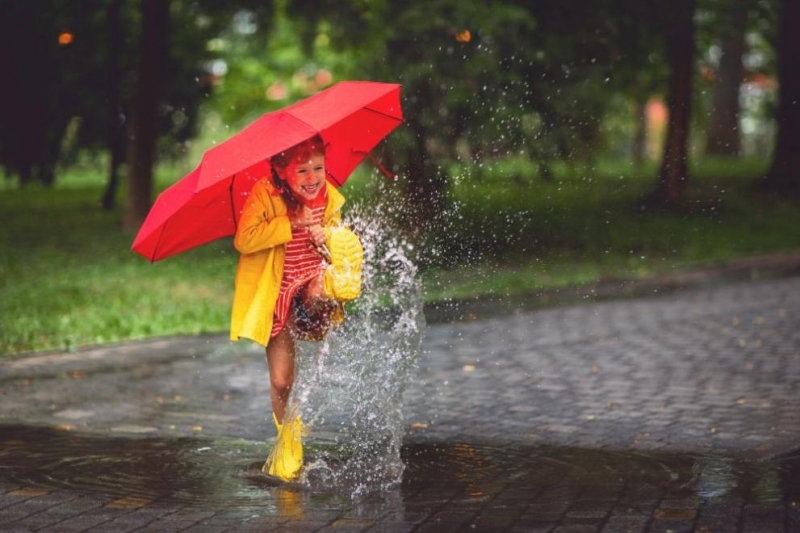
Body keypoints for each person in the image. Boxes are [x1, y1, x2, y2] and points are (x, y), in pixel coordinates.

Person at [229, 135, 348, 481]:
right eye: (302, 170)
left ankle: (331, 291)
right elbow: (244, 239)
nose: (312, 177)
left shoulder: (329, 198)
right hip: (278, 295)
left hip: (310, 286)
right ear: (281, 171)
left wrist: (326, 238)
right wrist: (290, 224)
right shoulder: (265, 194)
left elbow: (339, 242)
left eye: (318, 168)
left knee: (318, 289)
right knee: (283, 380)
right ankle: (288, 438)